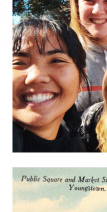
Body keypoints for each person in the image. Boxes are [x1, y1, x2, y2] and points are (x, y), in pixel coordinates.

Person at [12, 15, 87, 152]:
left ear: (81, 79)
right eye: (18, 63)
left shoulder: (76, 147)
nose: (36, 77)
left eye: (56, 61)